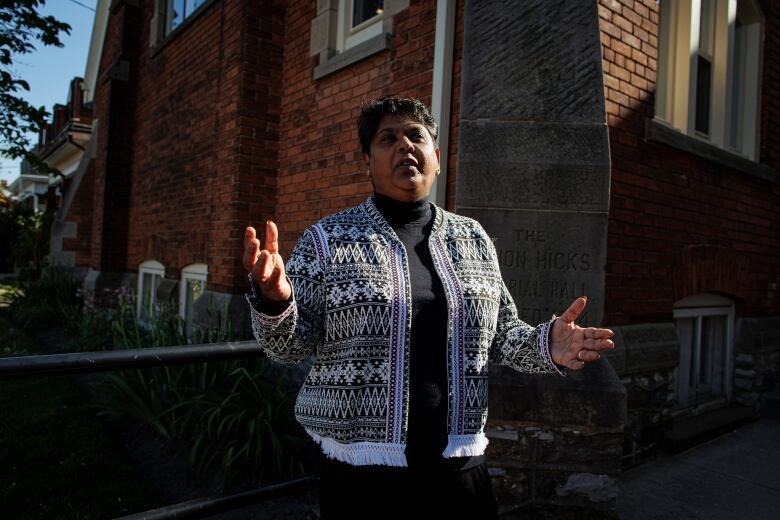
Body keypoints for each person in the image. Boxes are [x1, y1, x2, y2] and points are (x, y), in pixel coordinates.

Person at [242, 97, 615, 519]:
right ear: (368, 160)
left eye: (416, 136)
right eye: (388, 138)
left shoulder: (471, 238)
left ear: (436, 157)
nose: (405, 146)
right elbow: (286, 347)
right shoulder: (327, 240)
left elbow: (502, 334)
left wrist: (548, 344)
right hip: (361, 471)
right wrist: (276, 299)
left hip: (457, 463)